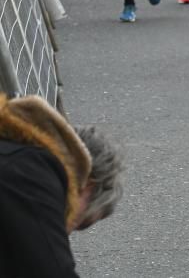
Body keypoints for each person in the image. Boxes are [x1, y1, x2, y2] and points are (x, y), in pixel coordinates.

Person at [0, 94, 124, 277]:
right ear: (88, 185)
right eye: (82, 223)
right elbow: (52, 270)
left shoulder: (14, 154)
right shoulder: (32, 173)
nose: (67, 230)